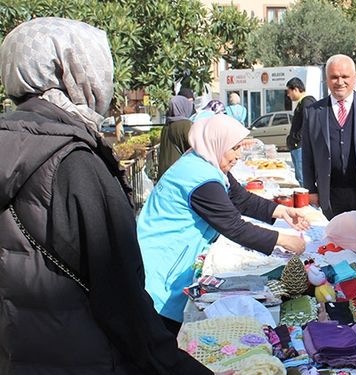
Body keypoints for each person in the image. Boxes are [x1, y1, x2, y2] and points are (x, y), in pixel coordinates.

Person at [0, 17, 212, 374]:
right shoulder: (74, 161)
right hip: (88, 357)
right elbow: (123, 298)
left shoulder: (14, 143)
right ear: (75, 71)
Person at [137, 114, 309, 335]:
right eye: (234, 148)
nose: (238, 156)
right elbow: (234, 227)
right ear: (217, 143)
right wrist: (284, 240)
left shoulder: (206, 163)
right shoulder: (200, 178)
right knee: (163, 336)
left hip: (173, 254)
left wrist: (283, 211)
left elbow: (241, 199)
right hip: (164, 261)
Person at [302, 54, 356, 219]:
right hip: (330, 196)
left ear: (355, 77)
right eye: (334, 77)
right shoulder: (313, 112)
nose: (339, 82)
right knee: (334, 243)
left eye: (345, 76)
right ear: (327, 79)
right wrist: (311, 190)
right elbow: (307, 155)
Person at [286, 77, 316, 185]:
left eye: (289, 92)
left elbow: (307, 125)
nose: (288, 95)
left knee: (303, 177)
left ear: (296, 89)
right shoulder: (302, 103)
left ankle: (308, 201)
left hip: (300, 146)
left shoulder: (307, 102)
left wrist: (296, 139)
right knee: (299, 176)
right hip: (297, 145)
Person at [157, 93, 195, 178]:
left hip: (165, 172)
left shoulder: (166, 125)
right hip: (179, 171)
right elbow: (194, 147)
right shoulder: (185, 124)